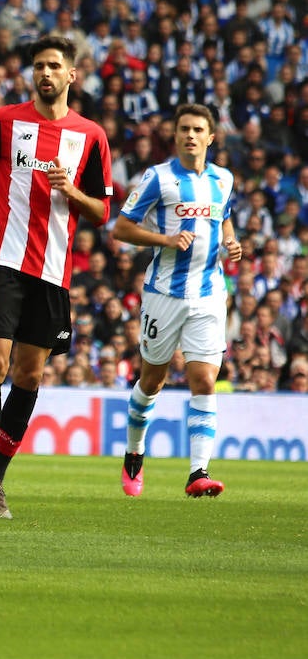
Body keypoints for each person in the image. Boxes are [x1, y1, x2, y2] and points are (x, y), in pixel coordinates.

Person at [0, 35, 113, 520]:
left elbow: (103, 210)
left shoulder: (92, 136)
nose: (45, 73)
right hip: (2, 259)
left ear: (71, 76)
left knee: (30, 373)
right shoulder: (3, 120)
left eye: (54, 66)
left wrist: (72, 192)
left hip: (54, 271)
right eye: (39, 65)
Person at [111, 103, 241, 498]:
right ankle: (135, 452)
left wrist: (231, 241)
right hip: (164, 294)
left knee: (204, 379)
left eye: (198, 129)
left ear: (210, 137)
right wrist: (164, 240)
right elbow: (121, 228)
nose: (190, 135)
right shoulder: (158, 178)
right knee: (153, 380)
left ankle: (198, 472)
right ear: (175, 133)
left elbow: (225, 216)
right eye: (184, 128)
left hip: (209, 295)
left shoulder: (223, 179)